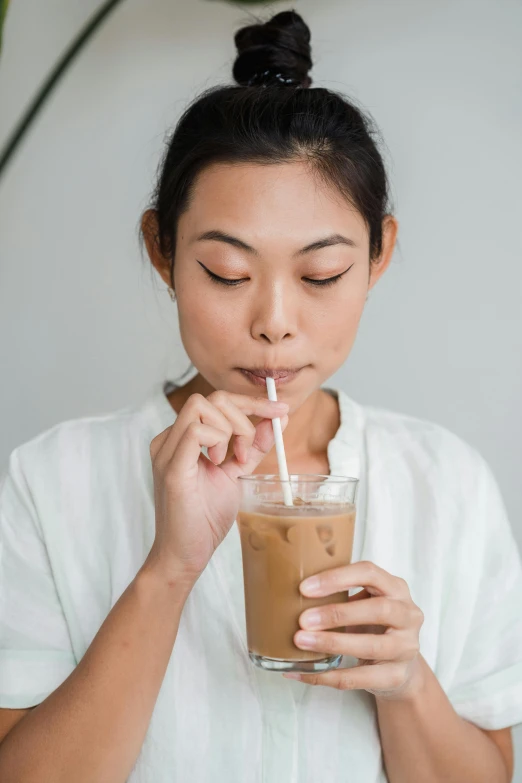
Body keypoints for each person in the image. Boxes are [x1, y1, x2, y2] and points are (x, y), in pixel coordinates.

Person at [0, 9, 521, 783]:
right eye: (227, 274)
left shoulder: (445, 482)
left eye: (321, 276)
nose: (274, 323)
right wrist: (167, 571)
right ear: (162, 251)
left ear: (378, 258)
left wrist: (409, 684)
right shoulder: (51, 480)